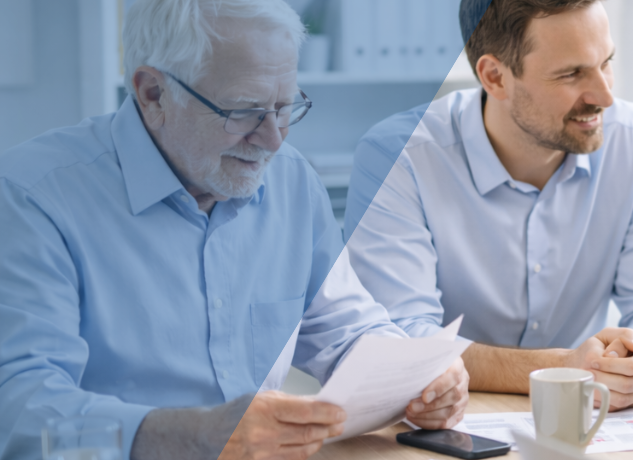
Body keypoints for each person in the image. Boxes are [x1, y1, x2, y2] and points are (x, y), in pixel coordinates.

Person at [0, 1, 468, 458]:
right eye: (244, 111)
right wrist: (187, 437)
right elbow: (20, 409)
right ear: (153, 94)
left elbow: (345, 327)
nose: (273, 139)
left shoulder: (291, 181)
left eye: (285, 107)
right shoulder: (32, 198)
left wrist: (418, 376)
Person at [344, 0, 633, 410]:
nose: (605, 95)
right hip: (449, 423)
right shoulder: (400, 156)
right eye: (571, 74)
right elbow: (401, 339)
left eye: (606, 62)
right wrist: (562, 369)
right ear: (495, 77)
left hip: (580, 420)